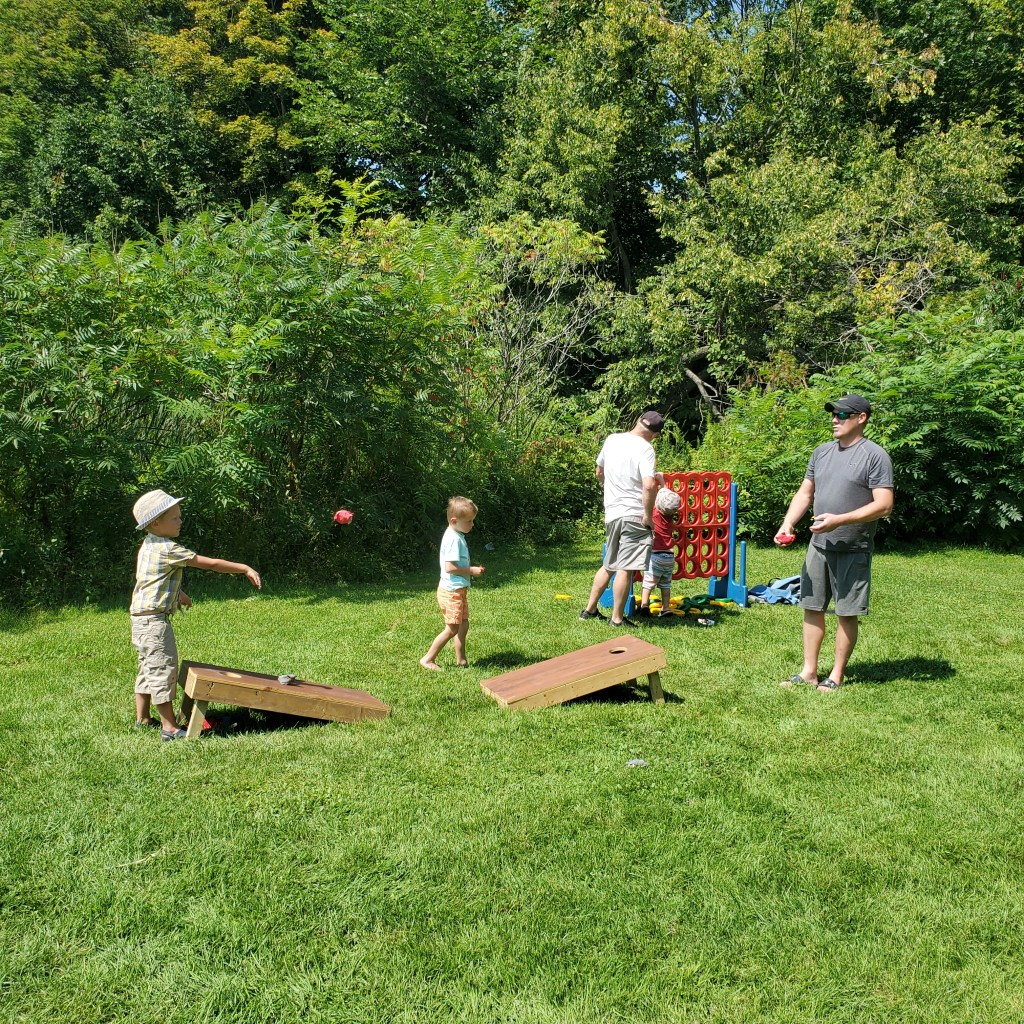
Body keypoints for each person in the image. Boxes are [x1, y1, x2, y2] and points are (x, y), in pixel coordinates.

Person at [775, 394, 893, 692]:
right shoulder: (822, 452)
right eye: (833, 414)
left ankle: (836, 675)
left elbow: (884, 505)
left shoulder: (875, 456)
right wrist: (788, 523)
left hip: (853, 547)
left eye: (842, 415)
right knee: (811, 607)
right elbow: (805, 493)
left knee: (845, 612)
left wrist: (840, 520)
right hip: (818, 545)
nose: (834, 420)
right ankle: (809, 672)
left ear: (861, 418)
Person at [130, 489, 261, 740]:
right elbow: (209, 563)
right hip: (154, 622)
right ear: (155, 523)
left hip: (141, 619)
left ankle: (143, 718)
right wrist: (244, 568)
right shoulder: (169, 548)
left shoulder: (149, 544)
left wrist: (178, 593)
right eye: (175, 518)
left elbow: (152, 578)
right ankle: (169, 728)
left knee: (147, 667)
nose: (180, 521)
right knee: (162, 669)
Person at [579, 411, 664, 627]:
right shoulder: (646, 448)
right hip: (633, 513)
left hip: (612, 512)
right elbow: (648, 485)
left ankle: (589, 610)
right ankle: (616, 619)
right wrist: (648, 516)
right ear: (655, 435)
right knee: (626, 567)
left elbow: (599, 472)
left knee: (609, 564)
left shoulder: (612, 439)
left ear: (637, 421)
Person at [420, 496, 485, 671]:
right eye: (469, 521)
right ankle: (427, 659)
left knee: (463, 624)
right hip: (451, 592)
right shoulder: (453, 539)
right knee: (452, 628)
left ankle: (461, 659)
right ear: (454, 521)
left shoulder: (456, 534)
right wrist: (471, 570)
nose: (472, 524)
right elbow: (450, 567)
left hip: (458, 590)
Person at [639, 486, 681, 618]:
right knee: (665, 584)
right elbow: (665, 498)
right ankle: (666, 608)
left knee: (648, 584)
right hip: (669, 557)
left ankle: (644, 605)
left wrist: (659, 481)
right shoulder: (671, 516)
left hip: (655, 556)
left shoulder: (654, 514)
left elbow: (650, 499)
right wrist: (663, 482)